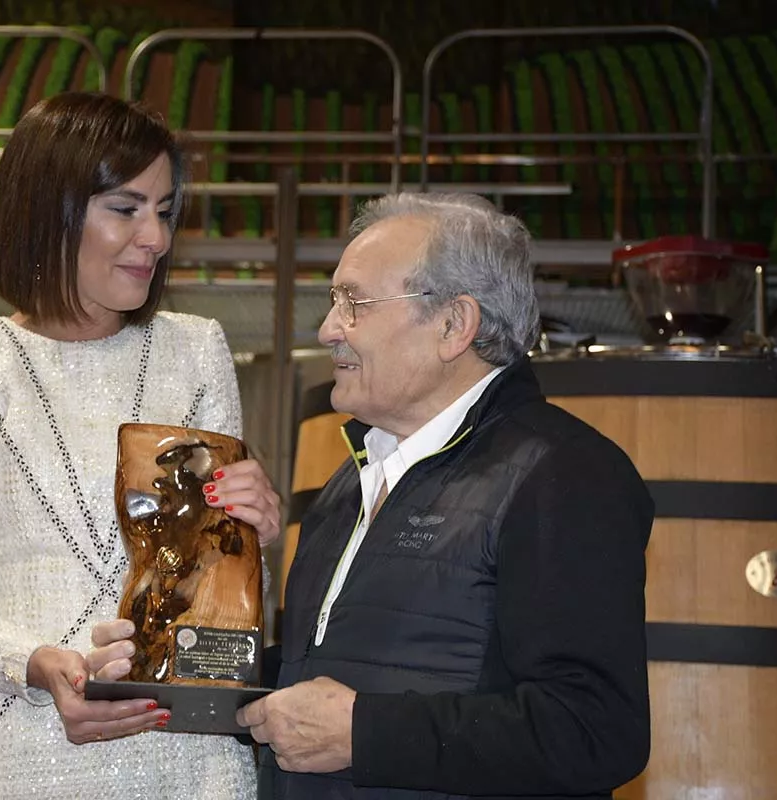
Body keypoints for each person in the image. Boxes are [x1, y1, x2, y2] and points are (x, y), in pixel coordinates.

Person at [0, 91, 280, 799]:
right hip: (16, 758)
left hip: (189, 768)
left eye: (164, 212)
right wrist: (37, 663)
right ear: (50, 209)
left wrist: (254, 536)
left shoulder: (195, 350)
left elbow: (217, 588)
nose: (156, 238)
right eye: (126, 208)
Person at [236, 192, 654, 799]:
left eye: (354, 302)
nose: (328, 330)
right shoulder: (352, 479)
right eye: (333, 303)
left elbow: (594, 727)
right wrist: (175, 670)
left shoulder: (563, 472)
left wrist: (365, 734)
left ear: (454, 325)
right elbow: (335, 673)